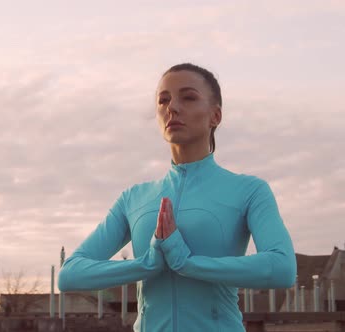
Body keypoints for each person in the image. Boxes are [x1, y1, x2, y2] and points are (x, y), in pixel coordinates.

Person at [57, 63, 296, 332]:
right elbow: (70, 274)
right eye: (164, 100)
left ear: (215, 115)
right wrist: (146, 264)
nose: (172, 107)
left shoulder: (249, 190)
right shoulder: (134, 198)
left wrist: (187, 263)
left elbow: (282, 267)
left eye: (189, 97)